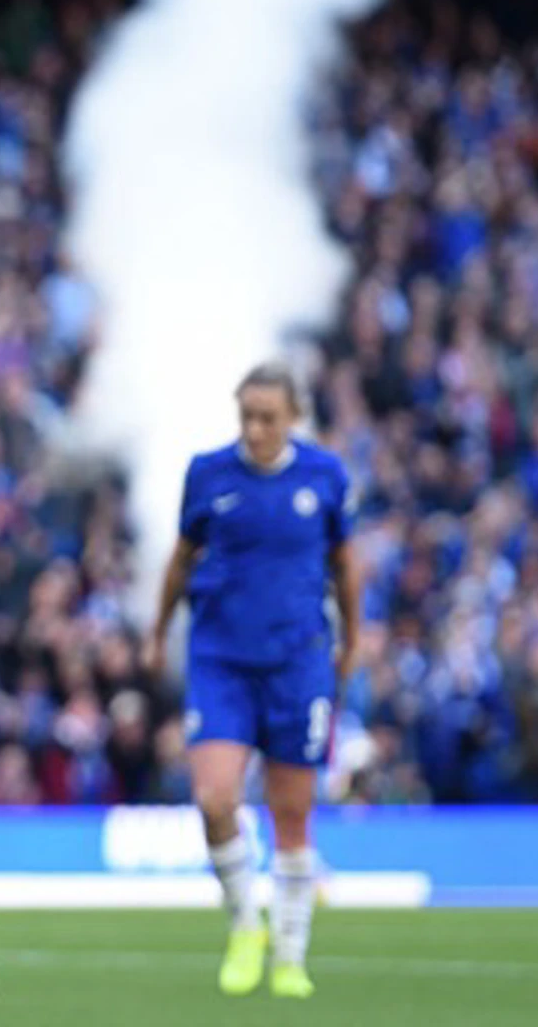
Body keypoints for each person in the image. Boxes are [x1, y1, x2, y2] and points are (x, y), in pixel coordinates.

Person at [147, 363, 360, 1000]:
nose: (256, 429)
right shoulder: (208, 473)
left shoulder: (325, 476)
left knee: (292, 816)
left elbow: (345, 564)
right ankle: (246, 923)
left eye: (268, 418)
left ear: (295, 416)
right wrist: (158, 632)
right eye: (247, 416)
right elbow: (181, 558)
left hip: (298, 661)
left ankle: (291, 955)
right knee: (215, 798)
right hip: (222, 660)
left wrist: (354, 638)